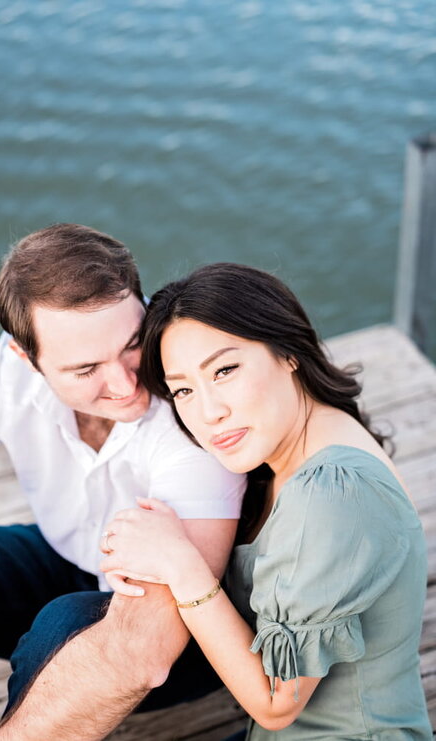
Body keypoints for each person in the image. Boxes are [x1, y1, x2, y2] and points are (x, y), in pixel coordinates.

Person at [101, 263, 430, 739]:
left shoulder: (331, 493)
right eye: (185, 390)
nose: (210, 412)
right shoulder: (301, 439)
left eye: (226, 370)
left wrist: (181, 564)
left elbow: (277, 703)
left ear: (288, 352)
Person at [0, 224, 247, 738]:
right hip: (67, 558)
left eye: (132, 344)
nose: (128, 384)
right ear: (25, 356)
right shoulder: (5, 372)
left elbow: (146, 646)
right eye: (86, 369)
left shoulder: (192, 412)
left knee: (63, 629)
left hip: (196, 633)